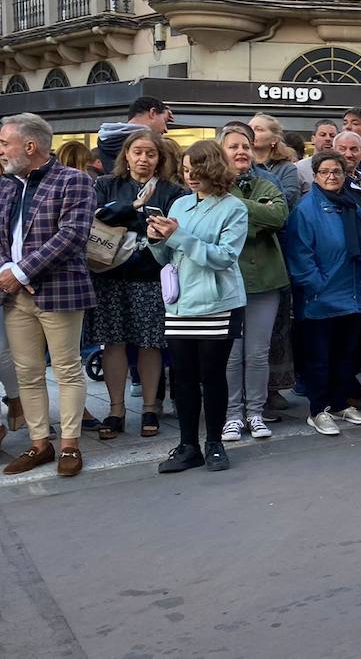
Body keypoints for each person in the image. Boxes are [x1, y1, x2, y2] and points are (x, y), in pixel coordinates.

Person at [0, 113, 97, 478]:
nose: (1, 151)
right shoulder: (7, 186)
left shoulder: (74, 181)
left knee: (68, 368)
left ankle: (70, 445)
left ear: (30, 146)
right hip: (14, 295)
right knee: (27, 372)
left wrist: (21, 272)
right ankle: (40, 443)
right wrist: (6, 272)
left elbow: (72, 234)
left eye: (5, 143)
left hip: (60, 290)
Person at [149, 140, 249, 474]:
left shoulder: (234, 208)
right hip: (180, 303)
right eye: (187, 170)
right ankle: (188, 445)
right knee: (184, 378)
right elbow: (166, 258)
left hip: (218, 302)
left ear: (214, 169)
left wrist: (176, 237)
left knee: (212, 376)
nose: (190, 177)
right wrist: (155, 240)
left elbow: (224, 257)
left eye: (198, 170)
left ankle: (215, 443)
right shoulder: (178, 205)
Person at [87, 128, 187, 440]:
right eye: (137, 152)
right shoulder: (106, 184)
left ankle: (149, 407)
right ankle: (116, 409)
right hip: (109, 275)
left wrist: (129, 220)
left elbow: (169, 227)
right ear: (126, 155)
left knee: (150, 342)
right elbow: (96, 219)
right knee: (112, 343)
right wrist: (132, 209)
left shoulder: (171, 190)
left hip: (151, 275)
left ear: (160, 159)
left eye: (150, 153)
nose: (143, 158)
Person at [284, 150, 361, 435]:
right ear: (315, 176)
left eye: (336, 171)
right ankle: (318, 410)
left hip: (354, 295)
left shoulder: (353, 204)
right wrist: (319, 285)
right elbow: (300, 256)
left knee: (346, 355)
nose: (331, 176)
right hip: (322, 298)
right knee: (319, 358)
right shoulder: (305, 209)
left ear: (344, 175)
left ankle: (340, 403)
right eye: (325, 171)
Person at [217, 122, 289, 442]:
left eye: (246, 146)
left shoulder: (267, 183)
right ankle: (233, 414)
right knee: (232, 353)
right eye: (233, 146)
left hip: (266, 282)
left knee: (258, 353)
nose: (241, 151)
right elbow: (215, 230)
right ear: (222, 153)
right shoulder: (212, 187)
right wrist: (257, 214)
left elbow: (278, 218)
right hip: (227, 282)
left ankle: (255, 413)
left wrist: (236, 211)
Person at [96, 96, 173, 174]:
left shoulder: (105, 139)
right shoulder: (149, 144)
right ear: (152, 113)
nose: (166, 130)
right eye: (165, 121)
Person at [247, 114, 301, 208]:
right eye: (249, 128)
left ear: (274, 139)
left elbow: (288, 199)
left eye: (258, 129)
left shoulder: (287, 168)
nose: (251, 132)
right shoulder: (240, 164)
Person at [332, 130, 361, 205]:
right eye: (342, 149)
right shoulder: (330, 182)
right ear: (333, 152)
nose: (348, 154)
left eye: (354, 149)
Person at [297, 119, 337, 194]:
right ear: (313, 139)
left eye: (332, 136)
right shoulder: (300, 168)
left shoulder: (343, 167)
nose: (328, 139)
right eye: (323, 135)